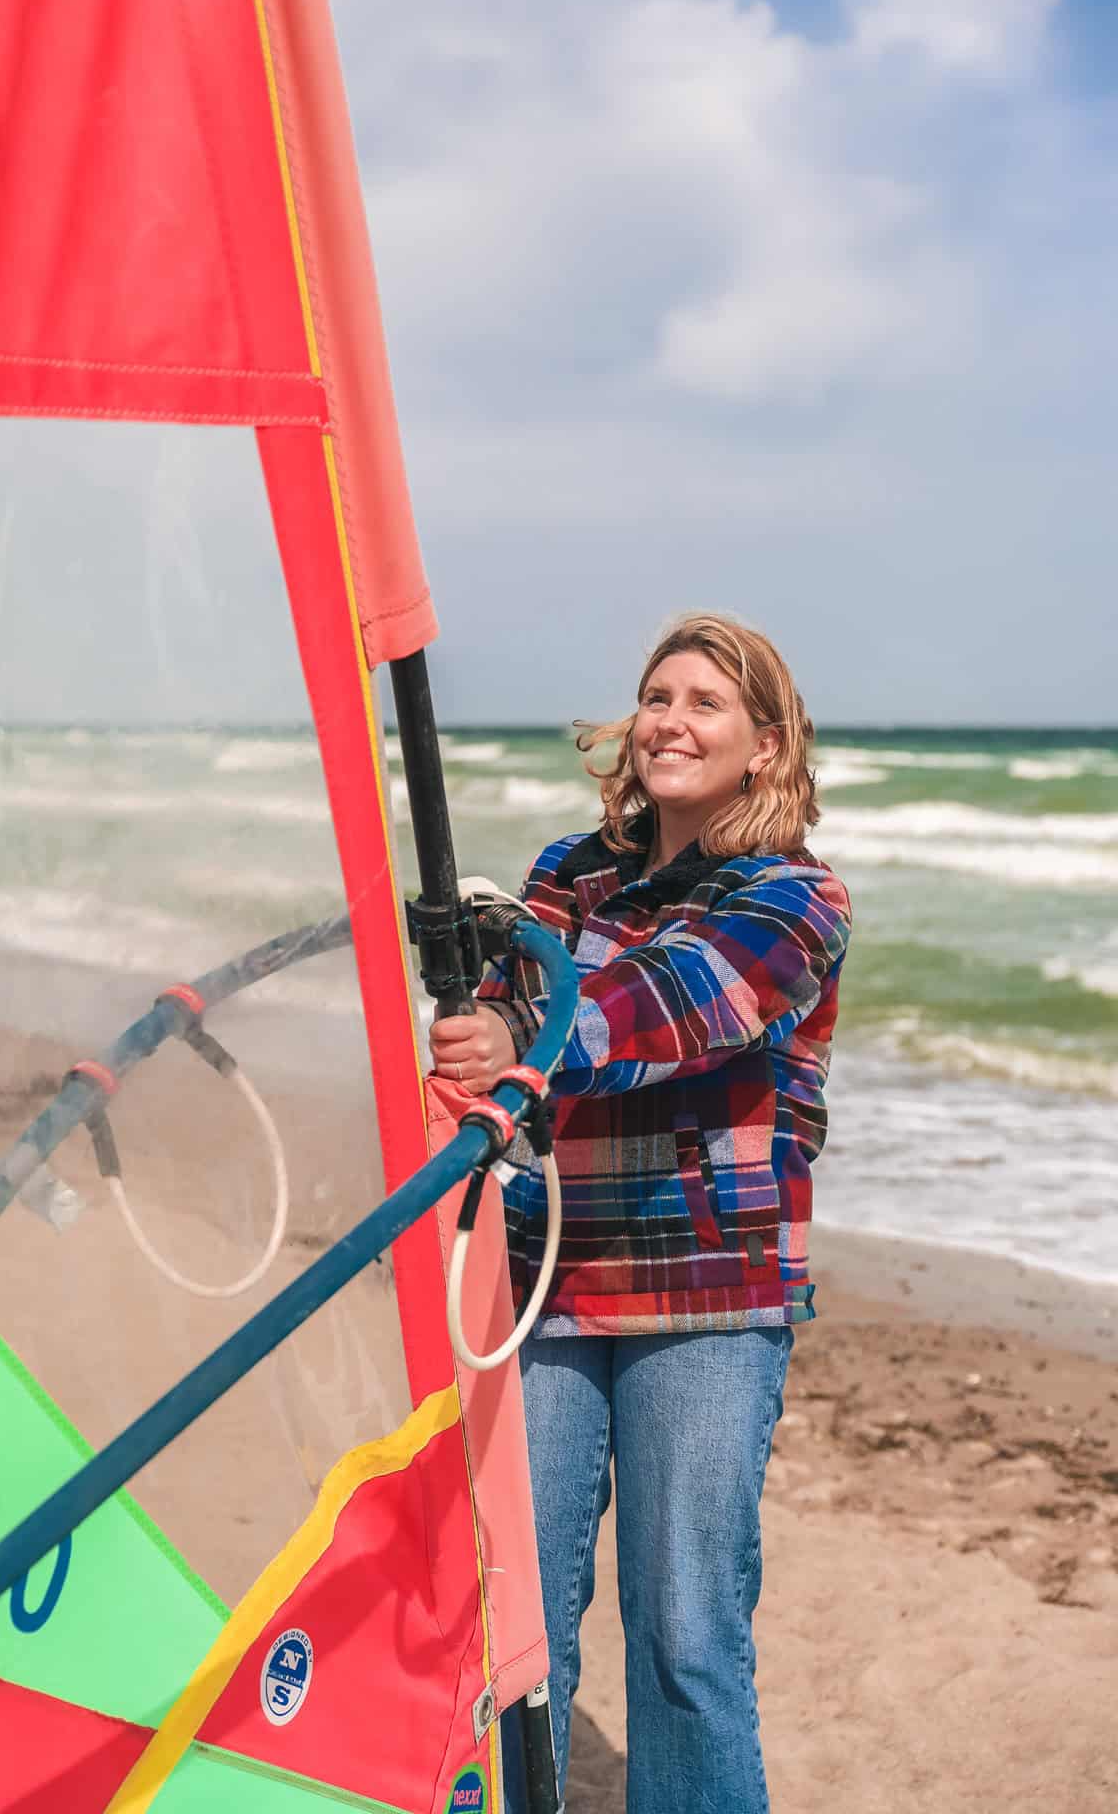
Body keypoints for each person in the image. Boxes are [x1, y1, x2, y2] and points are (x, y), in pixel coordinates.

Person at [429, 612, 852, 1814]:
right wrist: (471, 1038)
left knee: (683, 1635)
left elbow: (682, 1005)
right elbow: (505, 1041)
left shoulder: (795, 898)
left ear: (764, 746)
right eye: (657, 696)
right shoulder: (568, 874)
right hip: (546, 1283)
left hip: (708, 1294)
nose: (670, 720)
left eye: (704, 703)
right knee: (515, 1629)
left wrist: (525, 1035)